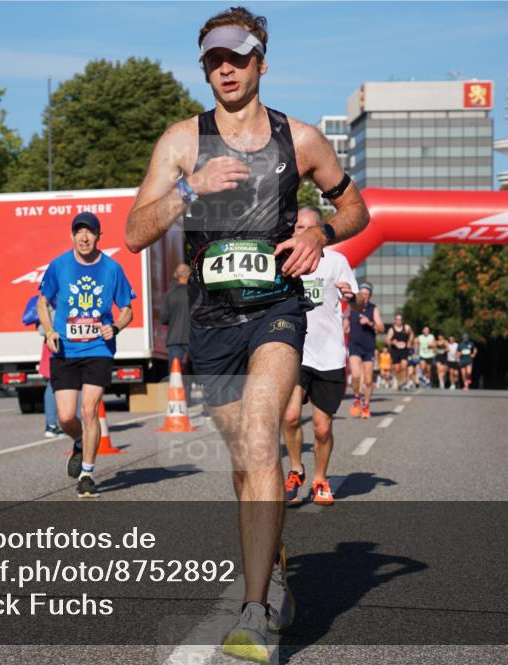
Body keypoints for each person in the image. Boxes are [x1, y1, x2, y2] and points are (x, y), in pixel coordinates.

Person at [124, 7, 370, 661]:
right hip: (211, 322)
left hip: (277, 311)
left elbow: (356, 207)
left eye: (236, 56)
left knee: (264, 438)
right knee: (244, 462)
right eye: (213, 59)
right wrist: (188, 188)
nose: (225, 68)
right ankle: (278, 566)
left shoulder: (302, 140)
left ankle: (255, 610)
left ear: (263, 60)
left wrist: (319, 229)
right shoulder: (182, 141)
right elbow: (134, 232)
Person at [38, 211, 135, 498]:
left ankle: (87, 474)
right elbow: (43, 302)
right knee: (67, 416)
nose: (84, 237)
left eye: (90, 232)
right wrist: (48, 331)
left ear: (98, 236)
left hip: (98, 349)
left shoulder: (112, 269)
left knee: (89, 410)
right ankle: (79, 441)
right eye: (79, 232)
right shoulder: (59, 266)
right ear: (71, 236)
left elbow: (127, 309)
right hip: (65, 349)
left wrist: (115, 327)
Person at [281, 207, 357, 507]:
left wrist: (352, 296)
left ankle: (320, 479)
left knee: (322, 429)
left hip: (329, 354)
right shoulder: (282, 259)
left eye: (307, 228)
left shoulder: (336, 262)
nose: (300, 233)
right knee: (288, 416)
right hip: (295, 351)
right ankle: (296, 469)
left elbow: (358, 299)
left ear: (320, 233)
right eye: (297, 227)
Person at [348, 282, 384, 418]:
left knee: (368, 381)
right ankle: (357, 397)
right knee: (356, 376)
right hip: (354, 346)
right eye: (362, 294)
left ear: (370, 296)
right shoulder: (352, 308)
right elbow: (344, 323)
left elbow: (381, 328)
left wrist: (369, 322)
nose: (365, 296)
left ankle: (366, 406)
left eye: (367, 294)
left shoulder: (373, 309)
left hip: (369, 348)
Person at [161, 263, 192, 377]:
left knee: (175, 373)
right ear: (188, 275)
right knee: (193, 373)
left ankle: (176, 394)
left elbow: (164, 318)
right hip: (192, 339)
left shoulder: (169, 295)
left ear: (177, 276)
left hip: (174, 340)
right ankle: (190, 393)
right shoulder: (194, 293)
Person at [386, 313, 414, 390]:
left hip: (404, 350)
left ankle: (404, 382)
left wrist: (409, 342)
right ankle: (399, 381)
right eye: (397, 319)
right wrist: (393, 342)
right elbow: (387, 340)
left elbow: (412, 334)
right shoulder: (392, 329)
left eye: (400, 319)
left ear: (402, 320)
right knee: (397, 369)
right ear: (395, 320)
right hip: (395, 350)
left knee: (404, 366)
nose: (399, 321)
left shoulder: (406, 327)